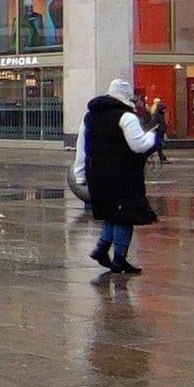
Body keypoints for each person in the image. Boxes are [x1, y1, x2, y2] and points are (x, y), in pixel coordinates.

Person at [75, 78, 159, 275]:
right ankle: (119, 259)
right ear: (127, 97)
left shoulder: (90, 117)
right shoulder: (126, 117)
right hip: (123, 175)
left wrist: (80, 174)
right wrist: (152, 136)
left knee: (111, 214)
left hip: (97, 174)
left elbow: (82, 147)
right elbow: (138, 145)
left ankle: (102, 249)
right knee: (124, 217)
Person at [149, 98, 170, 164]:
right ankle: (162, 158)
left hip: (160, 132)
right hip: (158, 132)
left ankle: (162, 158)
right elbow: (155, 124)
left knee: (158, 146)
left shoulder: (159, 114)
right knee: (157, 146)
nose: (164, 110)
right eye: (163, 109)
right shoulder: (157, 115)